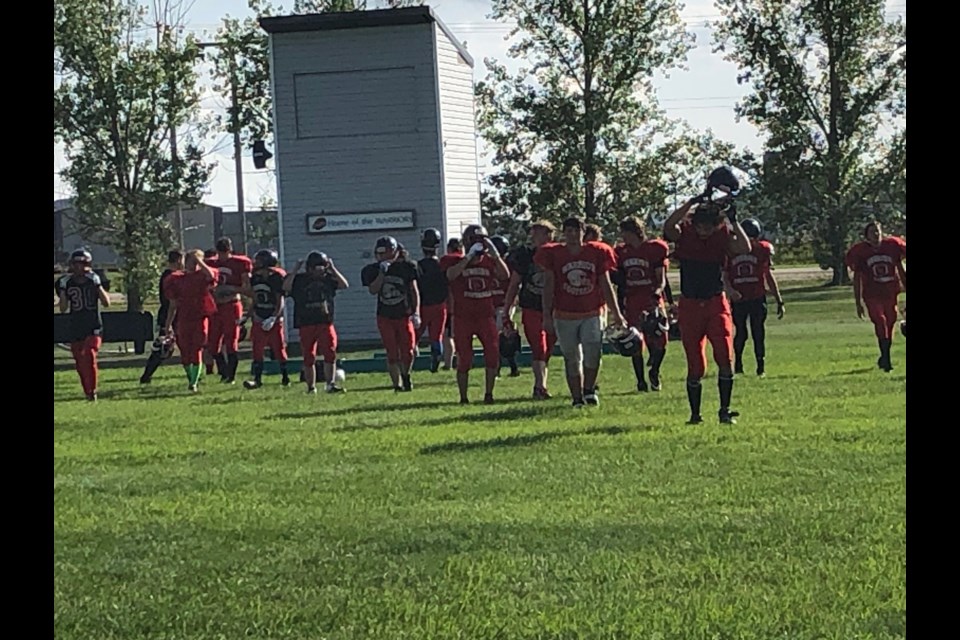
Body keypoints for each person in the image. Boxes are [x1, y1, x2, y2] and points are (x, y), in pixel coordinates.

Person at [663, 180, 752, 425]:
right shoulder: (686, 234)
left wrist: (734, 221)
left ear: (716, 225)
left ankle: (725, 410)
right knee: (696, 363)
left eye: (708, 227)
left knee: (725, 356)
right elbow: (669, 225)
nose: (703, 231)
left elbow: (744, 247)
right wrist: (692, 201)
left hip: (715, 302)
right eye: (700, 226)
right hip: (690, 304)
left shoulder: (721, 235)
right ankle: (695, 414)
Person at [536, 217, 626, 408]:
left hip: (592, 311)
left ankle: (589, 390)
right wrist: (546, 314)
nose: (572, 234)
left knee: (593, 352)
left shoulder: (596, 252)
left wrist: (616, 313)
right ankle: (576, 398)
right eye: (568, 230)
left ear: (583, 233)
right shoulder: (554, 254)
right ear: (563, 233)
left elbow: (605, 284)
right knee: (572, 357)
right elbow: (549, 285)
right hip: (564, 313)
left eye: (576, 230)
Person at [440, 224, 510, 404]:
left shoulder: (489, 261)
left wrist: (496, 257)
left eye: (482, 241)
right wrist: (468, 257)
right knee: (464, 358)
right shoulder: (454, 260)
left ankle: (489, 394)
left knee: (493, 354)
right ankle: (463, 397)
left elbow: (504, 275)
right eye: (475, 241)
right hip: (463, 317)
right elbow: (450, 275)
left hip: (485, 315)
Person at [504, 220, 558, 399]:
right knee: (539, 347)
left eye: (540, 233)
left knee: (548, 349)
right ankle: (539, 386)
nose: (535, 237)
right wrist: (507, 308)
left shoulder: (558, 254)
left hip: (553, 308)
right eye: (534, 233)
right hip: (532, 307)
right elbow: (514, 283)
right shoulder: (526, 256)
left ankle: (541, 385)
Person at [615, 217, 671, 392]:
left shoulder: (654, 248)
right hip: (632, 300)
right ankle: (640, 381)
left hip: (651, 299)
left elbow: (661, 279)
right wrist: (620, 305)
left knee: (660, 340)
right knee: (634, 341)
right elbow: (620, 281)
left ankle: (654, 370)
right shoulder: (622, 252)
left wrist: (658, 293)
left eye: (624, 232)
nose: (622, 236)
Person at [725, 218, 784, 377]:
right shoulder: (730, 251)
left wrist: (779, 299)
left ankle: (760, 366)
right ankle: (738, 363)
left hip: (757, 297)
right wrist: (730, 291)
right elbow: (723, 275)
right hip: (740, 298)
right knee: (742, 332)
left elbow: (768, 275)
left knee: (758, 332)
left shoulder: (762, 250)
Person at [360, 237, 421, 392]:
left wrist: (417, 312)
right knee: (392, 352)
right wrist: (382, 273)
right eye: (380, 253)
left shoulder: (407, 267)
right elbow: (373, 290)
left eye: (387, 252)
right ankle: (397, 384)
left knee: (409, 351)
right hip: (385, 316)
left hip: (404, 314)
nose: (383, 256)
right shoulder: (373, 269)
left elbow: (414, 291)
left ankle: (406, 375)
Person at [284, 251, 350, 393]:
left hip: (325, 321)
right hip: (306, 322)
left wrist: (333, 268)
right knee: (308, 356)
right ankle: (311, 386)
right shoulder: (300, 280)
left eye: (322, 267)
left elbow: (344, 285)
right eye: (316, 267)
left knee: (330, 353)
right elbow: (286, 287)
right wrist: (295, 270)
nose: (319, 271)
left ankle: (330, 384)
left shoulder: (328, 279)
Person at [844, 221, 906, 372]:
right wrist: (858, 301)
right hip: (872, 294)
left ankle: (885, 356)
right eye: (872, 232)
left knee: (890, 323)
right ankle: (886, 359)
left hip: (890, 292)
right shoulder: (861, 252)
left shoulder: (891, 246)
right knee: (880, 320)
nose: (876, 235)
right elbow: (857, 278)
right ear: (866, 236)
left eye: (878, 231)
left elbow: (900, 268)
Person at [56, 249, 111, 401]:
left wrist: (98, 285)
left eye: (83, 264)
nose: (80, 268)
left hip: (93, 325)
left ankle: (93, 391)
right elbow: (63, 308)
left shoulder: (95, 278)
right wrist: (62, 290)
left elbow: (107, 303)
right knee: (79, 361)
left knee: (89, 353)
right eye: (77, 264)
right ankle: (87, 391)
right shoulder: (65, 281)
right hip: (76, 325)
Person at [163, 250, 220, 392]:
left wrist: (200, 261)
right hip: (184, 317)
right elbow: (173, 304)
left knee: (197, 348)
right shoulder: (177, 278)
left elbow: (211, 275)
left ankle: (193, 382)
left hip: (200, 316)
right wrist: (168, 324)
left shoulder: (202, 275)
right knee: (185, 351)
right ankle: (191, 377)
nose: (194, 265)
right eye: (191, 261)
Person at [205, 237, 253, 384]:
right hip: (216, 306)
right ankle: (224, 371)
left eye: (225, 252)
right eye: (221, 253)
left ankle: (230, 376)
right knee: (213, 344)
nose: (223, 256)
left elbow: (247, 287)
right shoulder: (211, 263)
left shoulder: (240, 263)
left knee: (231, 341)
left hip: (232, 304)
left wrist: (231, 289)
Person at [243, 249, 291, 389]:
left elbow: (279, 300)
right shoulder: (256, 277)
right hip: (259, 315)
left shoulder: (276, 277)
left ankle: (285, 378)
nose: (255, 263)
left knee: (279, 348)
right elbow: (255, 299)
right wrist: (247, 316)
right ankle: (257, 380)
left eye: (259, 260)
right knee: (257, 349)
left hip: (273, 317)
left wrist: (274, 317)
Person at [140, 250, 185, 385]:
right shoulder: (170, 276)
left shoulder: (169, 275)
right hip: (168, 315)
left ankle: (193, 372)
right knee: (162, 348)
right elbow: (170, 301)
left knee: (179, 347)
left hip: (172, 314)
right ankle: (146, 375)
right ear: (178, 260)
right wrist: (168, 323)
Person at [416, 228, 450, 373]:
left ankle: (409, 360)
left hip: (423, 305)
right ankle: (436, 357)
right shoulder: (442, 265)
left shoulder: (419, 266)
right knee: (436, 336)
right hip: (440, 305)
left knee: (415, 335)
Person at [442, 237, 463, 370]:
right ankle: (461, 360)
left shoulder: (445, 261)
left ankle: (448, 363)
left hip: (450, 303)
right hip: (465, 302)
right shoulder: (466, 260)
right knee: (461, 336)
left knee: (448, 335)